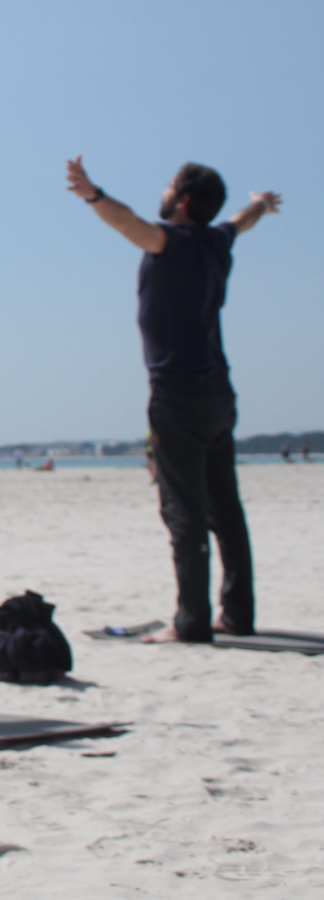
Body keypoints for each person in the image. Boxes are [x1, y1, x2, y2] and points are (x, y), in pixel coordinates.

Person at [65, 156, 280, 644]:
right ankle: (238, 615)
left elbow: (130, 225)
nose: (161, 193)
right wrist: (262, 205)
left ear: (182, 199)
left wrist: (92, 195)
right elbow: (240, 222)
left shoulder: (173, 242)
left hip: (177, 393)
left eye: (167, 187)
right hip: (218, 391)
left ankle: (190, 623)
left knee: (183, 511)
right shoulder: (217, 239)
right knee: (226, 510)